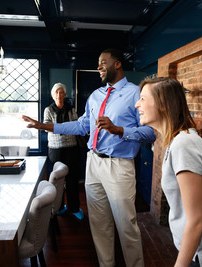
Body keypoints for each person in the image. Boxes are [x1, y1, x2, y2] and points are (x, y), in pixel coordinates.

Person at [23, 48, 156, 267]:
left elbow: (151, 132)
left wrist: (119, 130)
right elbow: (82, 125)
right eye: (97, 62)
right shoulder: (95, 96)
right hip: (93, 163)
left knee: (126, 225)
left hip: (119, 166)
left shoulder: (136, 94)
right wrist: (44, 126)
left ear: (118, 64)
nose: (99, 66)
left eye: (103, 62)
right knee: (99, 223)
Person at [135, 77, 202, 267]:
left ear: (164, 104)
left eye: (142, 98)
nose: (136, 104)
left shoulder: (185, 144)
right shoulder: (177, 141)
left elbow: (197, 221)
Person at [44, 82, 84, 220]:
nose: (59, 95)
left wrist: (60, 127)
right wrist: (63, 127)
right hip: (55, 149)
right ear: (53, 95)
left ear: (65, 94)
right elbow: (46, 126)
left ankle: (74, 208)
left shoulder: (71, 110)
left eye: (61, 92)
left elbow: (77, 126)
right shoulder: (48, 110)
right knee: (58, 180)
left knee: (72, 179)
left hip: (71, 148)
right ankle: (59, 207)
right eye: (57, 92)